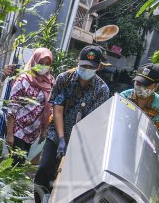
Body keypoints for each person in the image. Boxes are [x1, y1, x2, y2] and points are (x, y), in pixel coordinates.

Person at [33, 45, 110, 192]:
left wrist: (76, 143)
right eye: (83, 65)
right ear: (78, 61)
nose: (86, 69)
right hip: (57, 132)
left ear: (99, 66)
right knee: (45, 168)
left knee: (68, 178)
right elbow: (58, 110)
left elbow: (93, 120)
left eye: (90, 66)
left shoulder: (102, 89)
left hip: (82, 139)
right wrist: (61, 139)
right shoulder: (64, 79)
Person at [4, 48, 54, 164]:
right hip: (18, 130)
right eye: (41, 63)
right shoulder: (23, 80)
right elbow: (13, 106)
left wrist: (44, 130)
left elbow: (48, 108)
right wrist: (10, 134)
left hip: (33, 133)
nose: (43, 66)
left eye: (47, 64)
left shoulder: (50, 82)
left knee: (20, 166)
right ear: (34, 61)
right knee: (16, 164)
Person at [120, 63, 159, 133]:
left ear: (156, 86)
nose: (141, 87)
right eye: (138, 83)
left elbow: (153, 133)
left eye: (146, 84)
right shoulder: (124, 97)